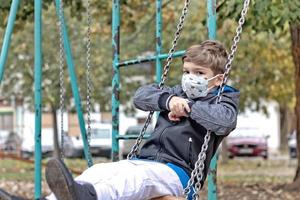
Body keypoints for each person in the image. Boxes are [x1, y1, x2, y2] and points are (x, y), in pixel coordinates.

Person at [0, 40, 239, 200]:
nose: (190, 78)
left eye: (199, 73)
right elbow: (141, 96)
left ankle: (89, 197)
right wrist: (169, 102)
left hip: (179, 174)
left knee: (136, 180)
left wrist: (189, 107)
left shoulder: (224, 101)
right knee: (100, 171)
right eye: (187, 71)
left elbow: (224, 122)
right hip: (145, 160)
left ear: (218, 79)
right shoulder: (176, 92)